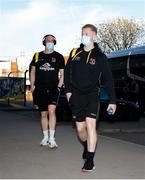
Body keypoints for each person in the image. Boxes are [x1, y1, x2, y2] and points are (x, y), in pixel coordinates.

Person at [64, 24, 117, 172]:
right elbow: (67, 74)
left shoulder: (100, 56)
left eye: (87, 33)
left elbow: (109, 79)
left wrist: (112, 101)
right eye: (82, 33)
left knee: (91, 125)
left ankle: (90, 160)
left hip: (92, 95)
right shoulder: (75, 53)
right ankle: (87, 146)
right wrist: (68, 92)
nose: (84, 36)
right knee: (81, 129)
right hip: (76, 96)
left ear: (94, 36)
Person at [29, 34, 65, 148]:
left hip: (54, 89)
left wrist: (59, 87)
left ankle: (52, 138)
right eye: (48, 40)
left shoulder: (59, 56)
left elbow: (62, 74)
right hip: (39, 89)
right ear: (44, 41)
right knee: (43, 114)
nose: (50, 41)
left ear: (55, 42)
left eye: (52, 40)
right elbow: (33, 71)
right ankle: (45, 137)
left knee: (51, 111)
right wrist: (32, 85)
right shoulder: (37, 56)